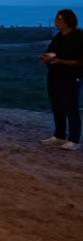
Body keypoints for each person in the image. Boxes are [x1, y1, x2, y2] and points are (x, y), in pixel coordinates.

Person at [41, 9, 81, 150]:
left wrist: (61, 61)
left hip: (70, 77)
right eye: (56, 19)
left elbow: (79, 61)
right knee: (57, 107)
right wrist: (45, 58)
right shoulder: (57, 38)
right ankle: (59, 135)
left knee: (71, 108)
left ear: (68, 21)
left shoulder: (78, 37)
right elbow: (50, 52)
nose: (56, 22)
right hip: (54, 76)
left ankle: (74, 139)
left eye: (59, 19)